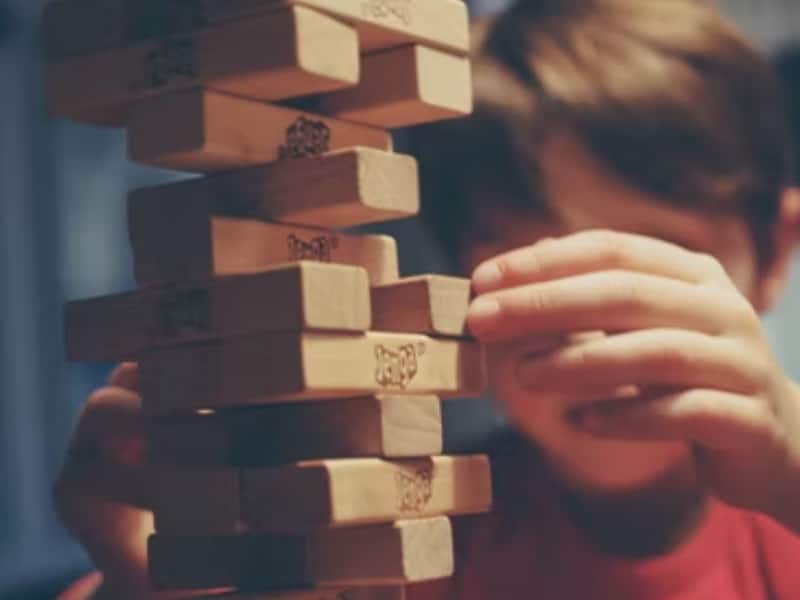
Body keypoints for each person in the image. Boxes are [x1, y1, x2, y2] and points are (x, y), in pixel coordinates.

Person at [55, 0, 800, 598]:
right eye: (534, 272)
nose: (597, 342)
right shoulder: (408, 534)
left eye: (651, 270)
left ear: (775, 253)